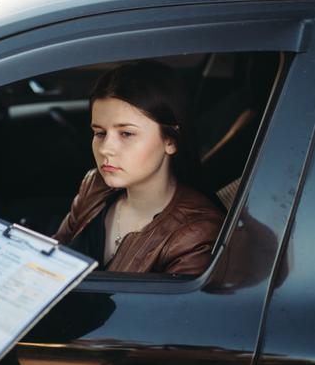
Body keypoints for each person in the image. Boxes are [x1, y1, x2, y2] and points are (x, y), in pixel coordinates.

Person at [54, 61, 223, 275]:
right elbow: (51, 257)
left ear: (170, 141)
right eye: (100, 133)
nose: (106, 149)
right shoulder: (95, 186)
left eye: (126, 133)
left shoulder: (195, 233)